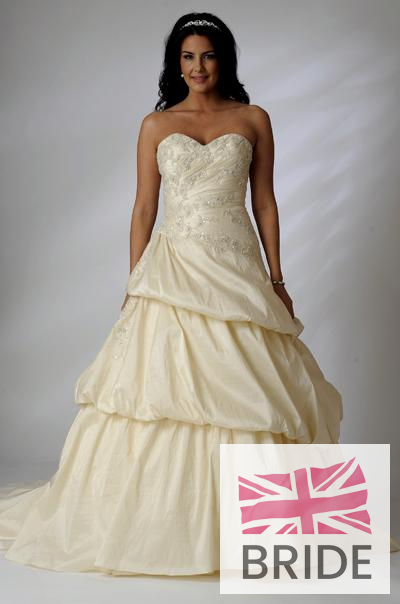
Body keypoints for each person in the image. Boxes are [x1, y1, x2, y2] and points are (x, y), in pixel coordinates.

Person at [0, 11, 398, 576]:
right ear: (176, 64)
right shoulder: (156, 125)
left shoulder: (253, 119)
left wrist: (277, 279)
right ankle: (163, 527)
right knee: (162, 388)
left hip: (235, 268)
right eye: (187, 57)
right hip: (175, 269)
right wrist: (137, 280)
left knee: (252, 384)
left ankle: (267, 530)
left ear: (223, 60)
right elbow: (144, 208)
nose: (198, 67)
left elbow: (265, 202)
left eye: (207, 55)